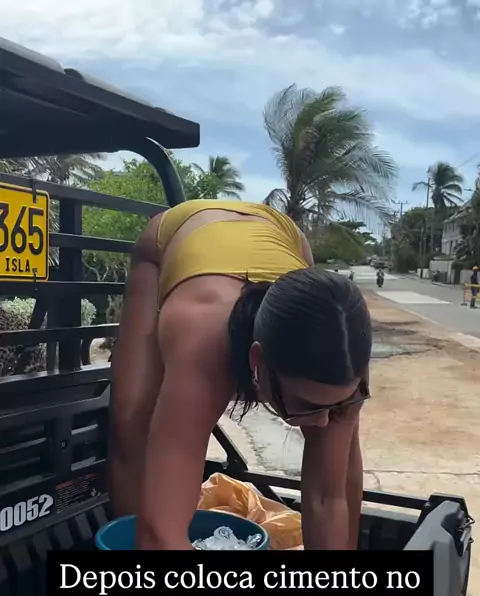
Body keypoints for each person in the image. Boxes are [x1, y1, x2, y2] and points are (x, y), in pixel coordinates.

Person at [109, 200, 372, 551]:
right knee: (133, 421)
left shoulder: (344, 353)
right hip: (180, 231)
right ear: (257, 363)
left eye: (336, 406)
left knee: (338, 456)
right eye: (307, 405)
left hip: (284, 235)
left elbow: (329, 497)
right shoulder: (202, 341)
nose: (323, 421)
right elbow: (160, 535)